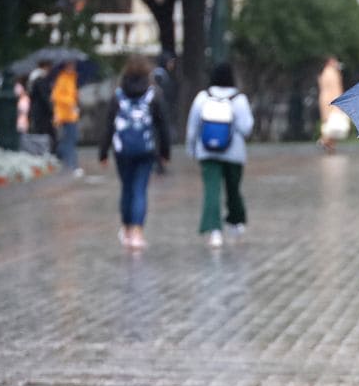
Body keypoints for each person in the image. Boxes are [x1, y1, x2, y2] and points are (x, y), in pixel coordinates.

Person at [98, 54, 170, 250]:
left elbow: (109, 125)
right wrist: (165, 152)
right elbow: (162, 125)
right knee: (140, 189)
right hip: (146, 149)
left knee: (127, 188)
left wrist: (103, 153)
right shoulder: (153, 94)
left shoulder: (118, 94)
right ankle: (137, 232)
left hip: (122, 149)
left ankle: (126, 229)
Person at [186, 62, 254, 247]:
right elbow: (246, 128)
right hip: (234, 152)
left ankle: (214, 230)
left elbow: (193, 126)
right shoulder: (239, 99)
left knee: (211, 190)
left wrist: (191, 148)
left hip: (206, 151)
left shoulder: (202, 97)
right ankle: (236, 221)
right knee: (233, 189)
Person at [51, 61, 81, 174]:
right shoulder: (62, 79)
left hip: (71, 114)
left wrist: (74, 98)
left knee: (71, 139)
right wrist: (70, 102)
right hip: (65, 115)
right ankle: (71, 165)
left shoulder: (72, 78)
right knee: (69, 140)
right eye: (71, 66)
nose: (73, 67)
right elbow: (56, 96)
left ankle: (69, 163)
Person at [317, 55, 351, 153]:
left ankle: (329, 144)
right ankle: (325, 140)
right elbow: (337, 88)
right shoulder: (332, 73)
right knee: (334, 124)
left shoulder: (324, 72)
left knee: (329, 123)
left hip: (324, 100)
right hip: (333, 99)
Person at [27, 60, 54, 146]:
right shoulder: (40, 80)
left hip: (38, 112)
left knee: (42, 133)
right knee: (45, 134)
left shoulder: (34, 79)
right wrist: (52, 109)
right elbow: (44, 97)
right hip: (42, 113)